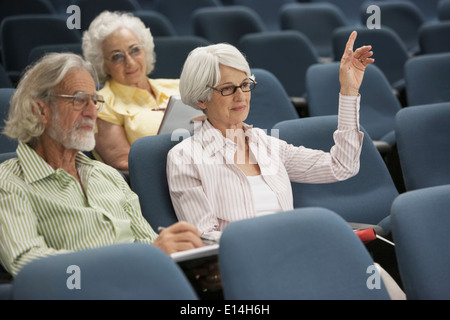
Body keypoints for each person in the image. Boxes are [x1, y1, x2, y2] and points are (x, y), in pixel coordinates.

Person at [168, 33, 406, 299]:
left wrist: (348, 92)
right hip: (250, 269)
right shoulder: (184, 156)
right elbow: (204, 237)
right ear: (200, 99)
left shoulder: (267, 144)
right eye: (227, 89)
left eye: (245, 85)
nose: (241, 96)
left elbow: (342, 166)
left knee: (375, 276)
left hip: (299, 254)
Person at [0, 53, 203, 277]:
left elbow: (147, 242)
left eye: (95, 100)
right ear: (40, 110)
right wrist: (135, 260)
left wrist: (190, 265)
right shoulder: (9, 183)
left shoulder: (107, 175)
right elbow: (28, 265)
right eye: (79, 100)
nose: (92, 111)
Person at [82, 11, 180, 171]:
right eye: (117, 56)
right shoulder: (102, 103)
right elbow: (121, 161)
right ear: (102, 64)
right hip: (160, 181)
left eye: (135, 50)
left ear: (145, 50)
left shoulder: (178, 86)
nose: (130, 62)